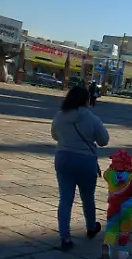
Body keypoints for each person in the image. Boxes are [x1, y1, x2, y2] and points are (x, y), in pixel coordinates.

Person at [51, 84, 109, 251]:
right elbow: (104, 140)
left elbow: (54, 135)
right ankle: (91, 227)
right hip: (86, 161)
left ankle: (65, 238)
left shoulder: (60, 116)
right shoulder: (92, 118)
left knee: (65, 199)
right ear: (86, 100)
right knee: (87, 197)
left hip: (63, 159)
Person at [102, 150, 132, 259]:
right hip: (126, 209)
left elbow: (105, 175)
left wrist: (112, 167)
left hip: (113, 207)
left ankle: (108, 245)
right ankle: (122, 251)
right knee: (124, 230)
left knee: (111, 227)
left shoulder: (110, 175)